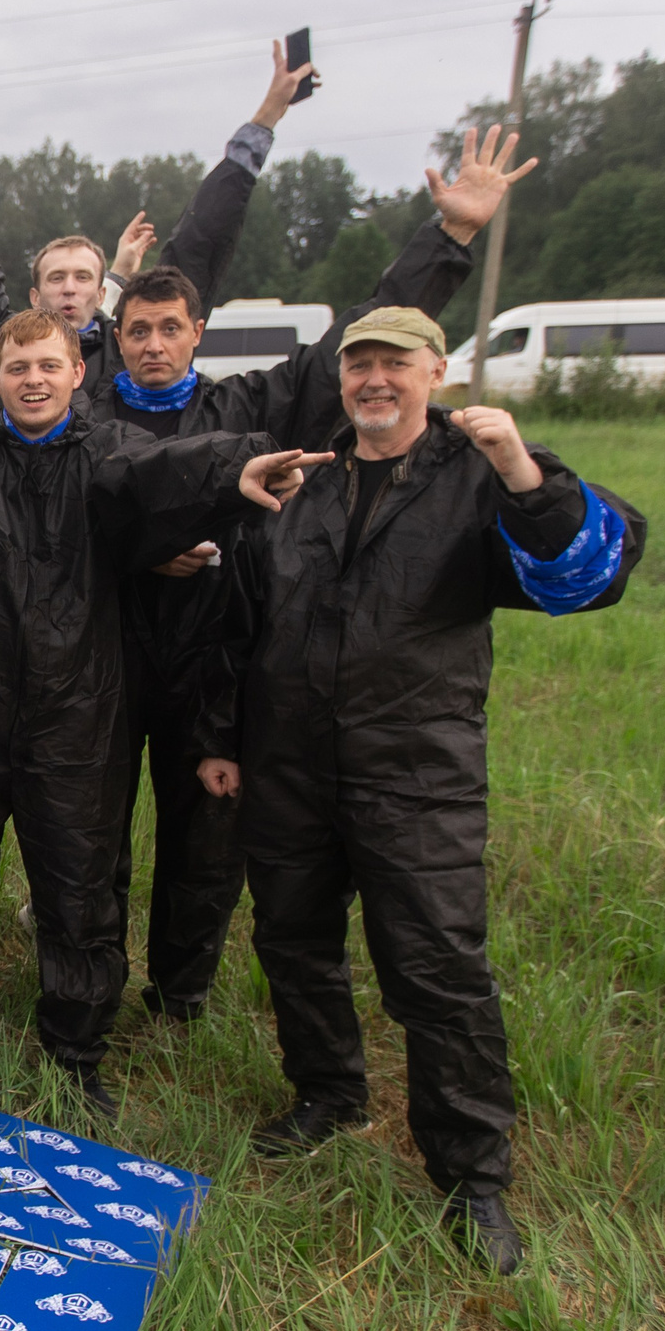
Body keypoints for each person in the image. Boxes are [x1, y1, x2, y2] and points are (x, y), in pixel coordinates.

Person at [199, 306, 645, 1274]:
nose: (374, 379)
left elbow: (589, 573)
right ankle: (327, 1095)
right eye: (359, 363)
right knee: (293, 941)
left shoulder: (479, 475)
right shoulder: (305, 483)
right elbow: (244, 620)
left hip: (415, 769)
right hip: (289, 763)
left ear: (435, 371)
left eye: (394, 364)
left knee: (437, 971)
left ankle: (471, 1176)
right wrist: (223, 738)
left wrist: (523, 472)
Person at [83, 125, 539, 1024]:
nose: (153, 344)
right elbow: (54, 528)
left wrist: (449, 237)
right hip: (108, 654)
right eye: (137, 330)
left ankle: (178, 994)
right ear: (116, 339)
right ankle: (90, 983)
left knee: (207, 839)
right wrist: (140, 551)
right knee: (94, 832)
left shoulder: (251, 404)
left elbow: (356, 345)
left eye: (170, 328)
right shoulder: (87, 420)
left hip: (219, 659)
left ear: (197, 332)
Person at [0, 306, 328, 1107]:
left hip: (78, 712)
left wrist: (236, 471)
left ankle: (75, 1047)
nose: (33, 380)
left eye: (48, 365)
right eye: (17, 367)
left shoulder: (108, 450)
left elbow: (166, 469)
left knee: (79, 884)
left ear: (78, 373)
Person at [0, 42, 318, 413]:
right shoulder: (1, 350)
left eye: (82, 277)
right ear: (34, 296)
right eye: (56, 278)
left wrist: (266, 118)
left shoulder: (128, 353)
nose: (69, 289)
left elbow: (201, 241)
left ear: (103, 295)